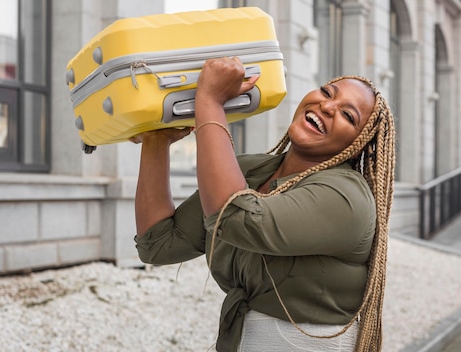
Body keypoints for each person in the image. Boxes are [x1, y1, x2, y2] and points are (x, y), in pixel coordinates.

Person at [131, 56, 395, 352]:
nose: (328, 106)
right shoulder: (250, 172)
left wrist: (210, 101)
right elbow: (159, 244)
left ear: (358, 142)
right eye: (326, 92)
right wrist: (156, 142)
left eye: (348, 116)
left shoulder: (347, 198)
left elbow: (233, 217)